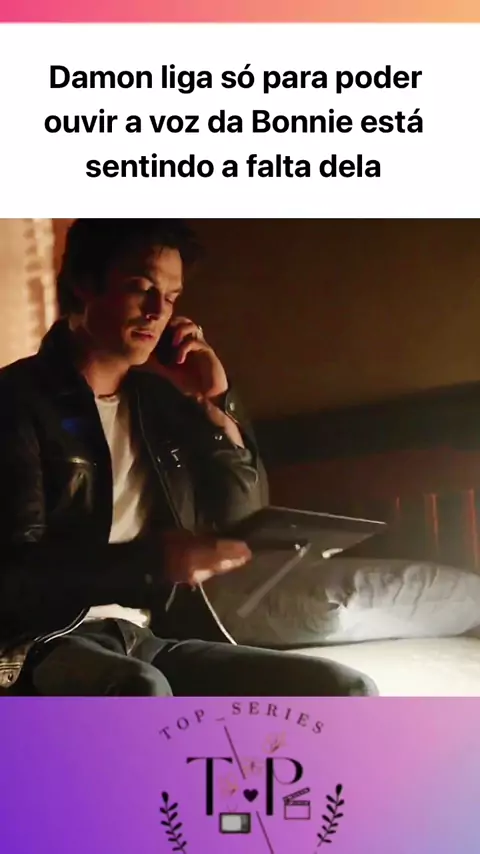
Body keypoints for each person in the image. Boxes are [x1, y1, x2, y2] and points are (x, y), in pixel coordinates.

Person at [0, 218, 377, 697]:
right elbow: (17, 577)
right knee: (142, 689)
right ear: (83, 283)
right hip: (41, 644)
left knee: (344, 688)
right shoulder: (17, 399)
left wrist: (213, 402)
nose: (157, 311)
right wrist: (153, 562)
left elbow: (240, 515)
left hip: (148, 636)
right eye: (141, 288)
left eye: (172, 297)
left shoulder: (160, 405)